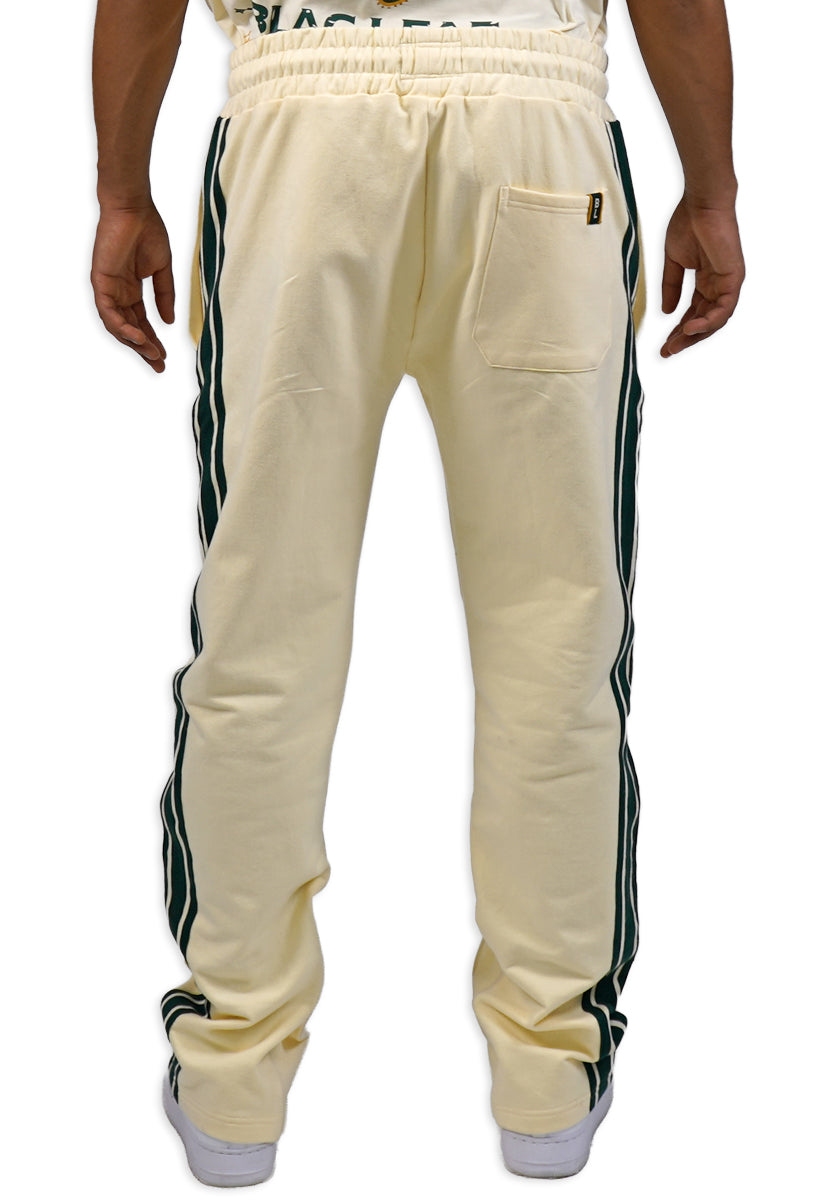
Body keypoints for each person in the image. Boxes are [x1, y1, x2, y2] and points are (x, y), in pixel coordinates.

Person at [91, 0, 744, 1186]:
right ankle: (550, 1081)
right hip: (532, 99)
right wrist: (711, 189)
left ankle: (232, 1082)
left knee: (261, 635)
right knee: (558, 636)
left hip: (304, 108)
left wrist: (123, 194)